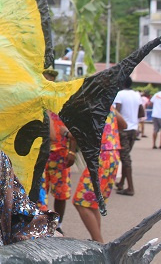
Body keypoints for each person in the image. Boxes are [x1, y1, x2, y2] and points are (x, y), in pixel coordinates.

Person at [73, 105, 126, 243]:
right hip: (113, 154)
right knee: (93, 202)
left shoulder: (89, 105)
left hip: (100, 157)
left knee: (80, 202)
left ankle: (99, 243)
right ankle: (98, 242)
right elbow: (124, 124)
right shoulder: (107, 104)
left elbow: (76, 132)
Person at [39, 68, 76, 235]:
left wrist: (72, 151)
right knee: (41, 192)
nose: (49, 83)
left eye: (52, 81)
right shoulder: (36, 100)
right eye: (47, 80)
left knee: (61, 194)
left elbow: (73, 128)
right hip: (41, 153)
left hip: (61, 154)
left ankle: (59, 223)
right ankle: (44, 225)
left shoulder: (62, 102)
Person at [113, 76, 143, 196]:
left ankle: (130, 188)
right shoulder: (136, 95)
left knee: (125, 159)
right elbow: (142, 112)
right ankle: (121, 183)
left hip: (123, 130)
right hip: (133, 130)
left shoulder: (120, 94)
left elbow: (117, 112)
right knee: (125, 157)